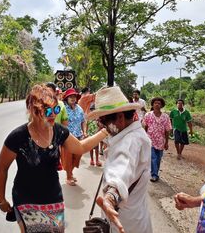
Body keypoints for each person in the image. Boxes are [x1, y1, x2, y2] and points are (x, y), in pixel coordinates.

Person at [0, 84, 110, 232]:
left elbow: (80, 147)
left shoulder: (59, 131)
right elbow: (2, 169)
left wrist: (105, 132)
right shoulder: (18, 136)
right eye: (47, 111)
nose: (53, 115)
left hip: (53, 198)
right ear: (33, 111)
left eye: (56, 109)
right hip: (26, 200)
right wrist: (1, 199)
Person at [87, 86, 152, 233]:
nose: (101, 126)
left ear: (120, 118)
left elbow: (122, 168)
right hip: (133, 218)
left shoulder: (130, 141)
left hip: (125, 224)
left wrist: (110, 198)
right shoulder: (134, 135)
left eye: (103, 120)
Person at [143, 97, 172, 182]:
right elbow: (145, 127)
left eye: (159, 103)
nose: (157, 104)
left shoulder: (166, 117)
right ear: (152, 104)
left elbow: (167, 130)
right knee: (153, 157)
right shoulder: (148, 115)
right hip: (150, 140)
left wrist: (166, 142)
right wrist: (144, 138)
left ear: (162, 105)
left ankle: (155, 172)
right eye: (155, 103)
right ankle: (154, 175)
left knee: (158, 158)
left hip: (160, 141)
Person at [61, 88, 87, 186]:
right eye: (70, 96)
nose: (72, 98)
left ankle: (70, 173)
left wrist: (84, 132)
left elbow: (83, 121)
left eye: (74, 96)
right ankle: (69, 176)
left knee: (77, 157)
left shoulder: (79, 108)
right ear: (66, 98)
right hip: (67, 137)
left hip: (78, 137)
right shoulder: (63, 108)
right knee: (68, 157)